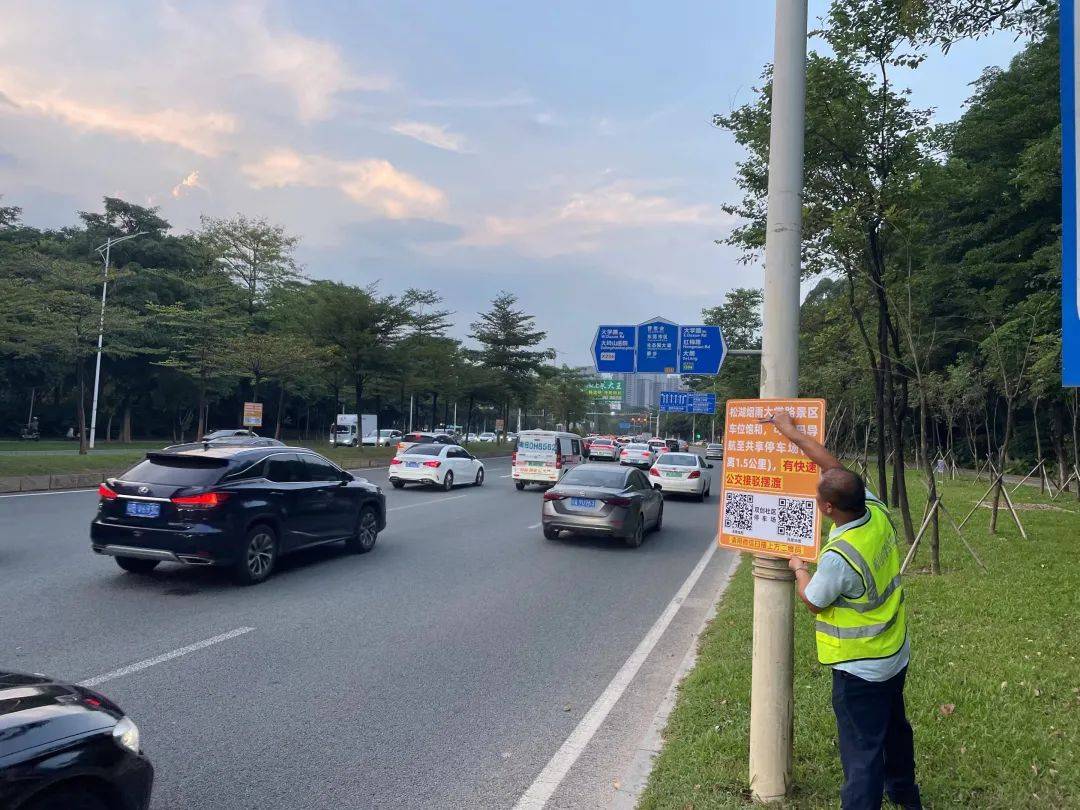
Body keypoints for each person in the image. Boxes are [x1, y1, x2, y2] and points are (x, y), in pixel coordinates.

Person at [764, 410, 921, 810]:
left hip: (860, 667)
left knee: (862, 752)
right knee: (895, 730)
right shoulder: (874, 509)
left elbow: (813, 601)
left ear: (831, 508)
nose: (816, 501)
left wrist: (799, 567)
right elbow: (831, 465)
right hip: (894, 652)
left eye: (819, 499)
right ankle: (905, 795)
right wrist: (791, 433)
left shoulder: (839, 557)